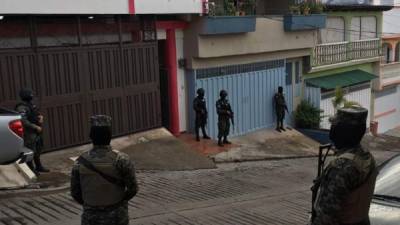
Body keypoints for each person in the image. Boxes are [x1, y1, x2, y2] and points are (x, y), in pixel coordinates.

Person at [312, 107, 378, 225]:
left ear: (341, 132)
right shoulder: (367, 158)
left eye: (335, 127)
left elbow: (327, 216)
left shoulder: (341, 167)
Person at [70, 115, 138, 225]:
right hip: (117, 217)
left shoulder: (80, 162)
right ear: (110, 136)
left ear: (91, 136)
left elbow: (75, 192)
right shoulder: (122, 159)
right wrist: (119, 201)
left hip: (91, 218)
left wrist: (91, 204)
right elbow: (133, 188)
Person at [15, 88, 49, 174]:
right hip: (29, 132)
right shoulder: (21, 107)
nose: (31, 96)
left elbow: (36, 113)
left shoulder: (30, 104)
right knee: (30, 151)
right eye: (30, 94)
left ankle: (38, 166)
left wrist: (40, 117)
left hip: (36, 131)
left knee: (38, 149)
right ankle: (31, 169)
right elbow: (23, 120)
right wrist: (35, 127)